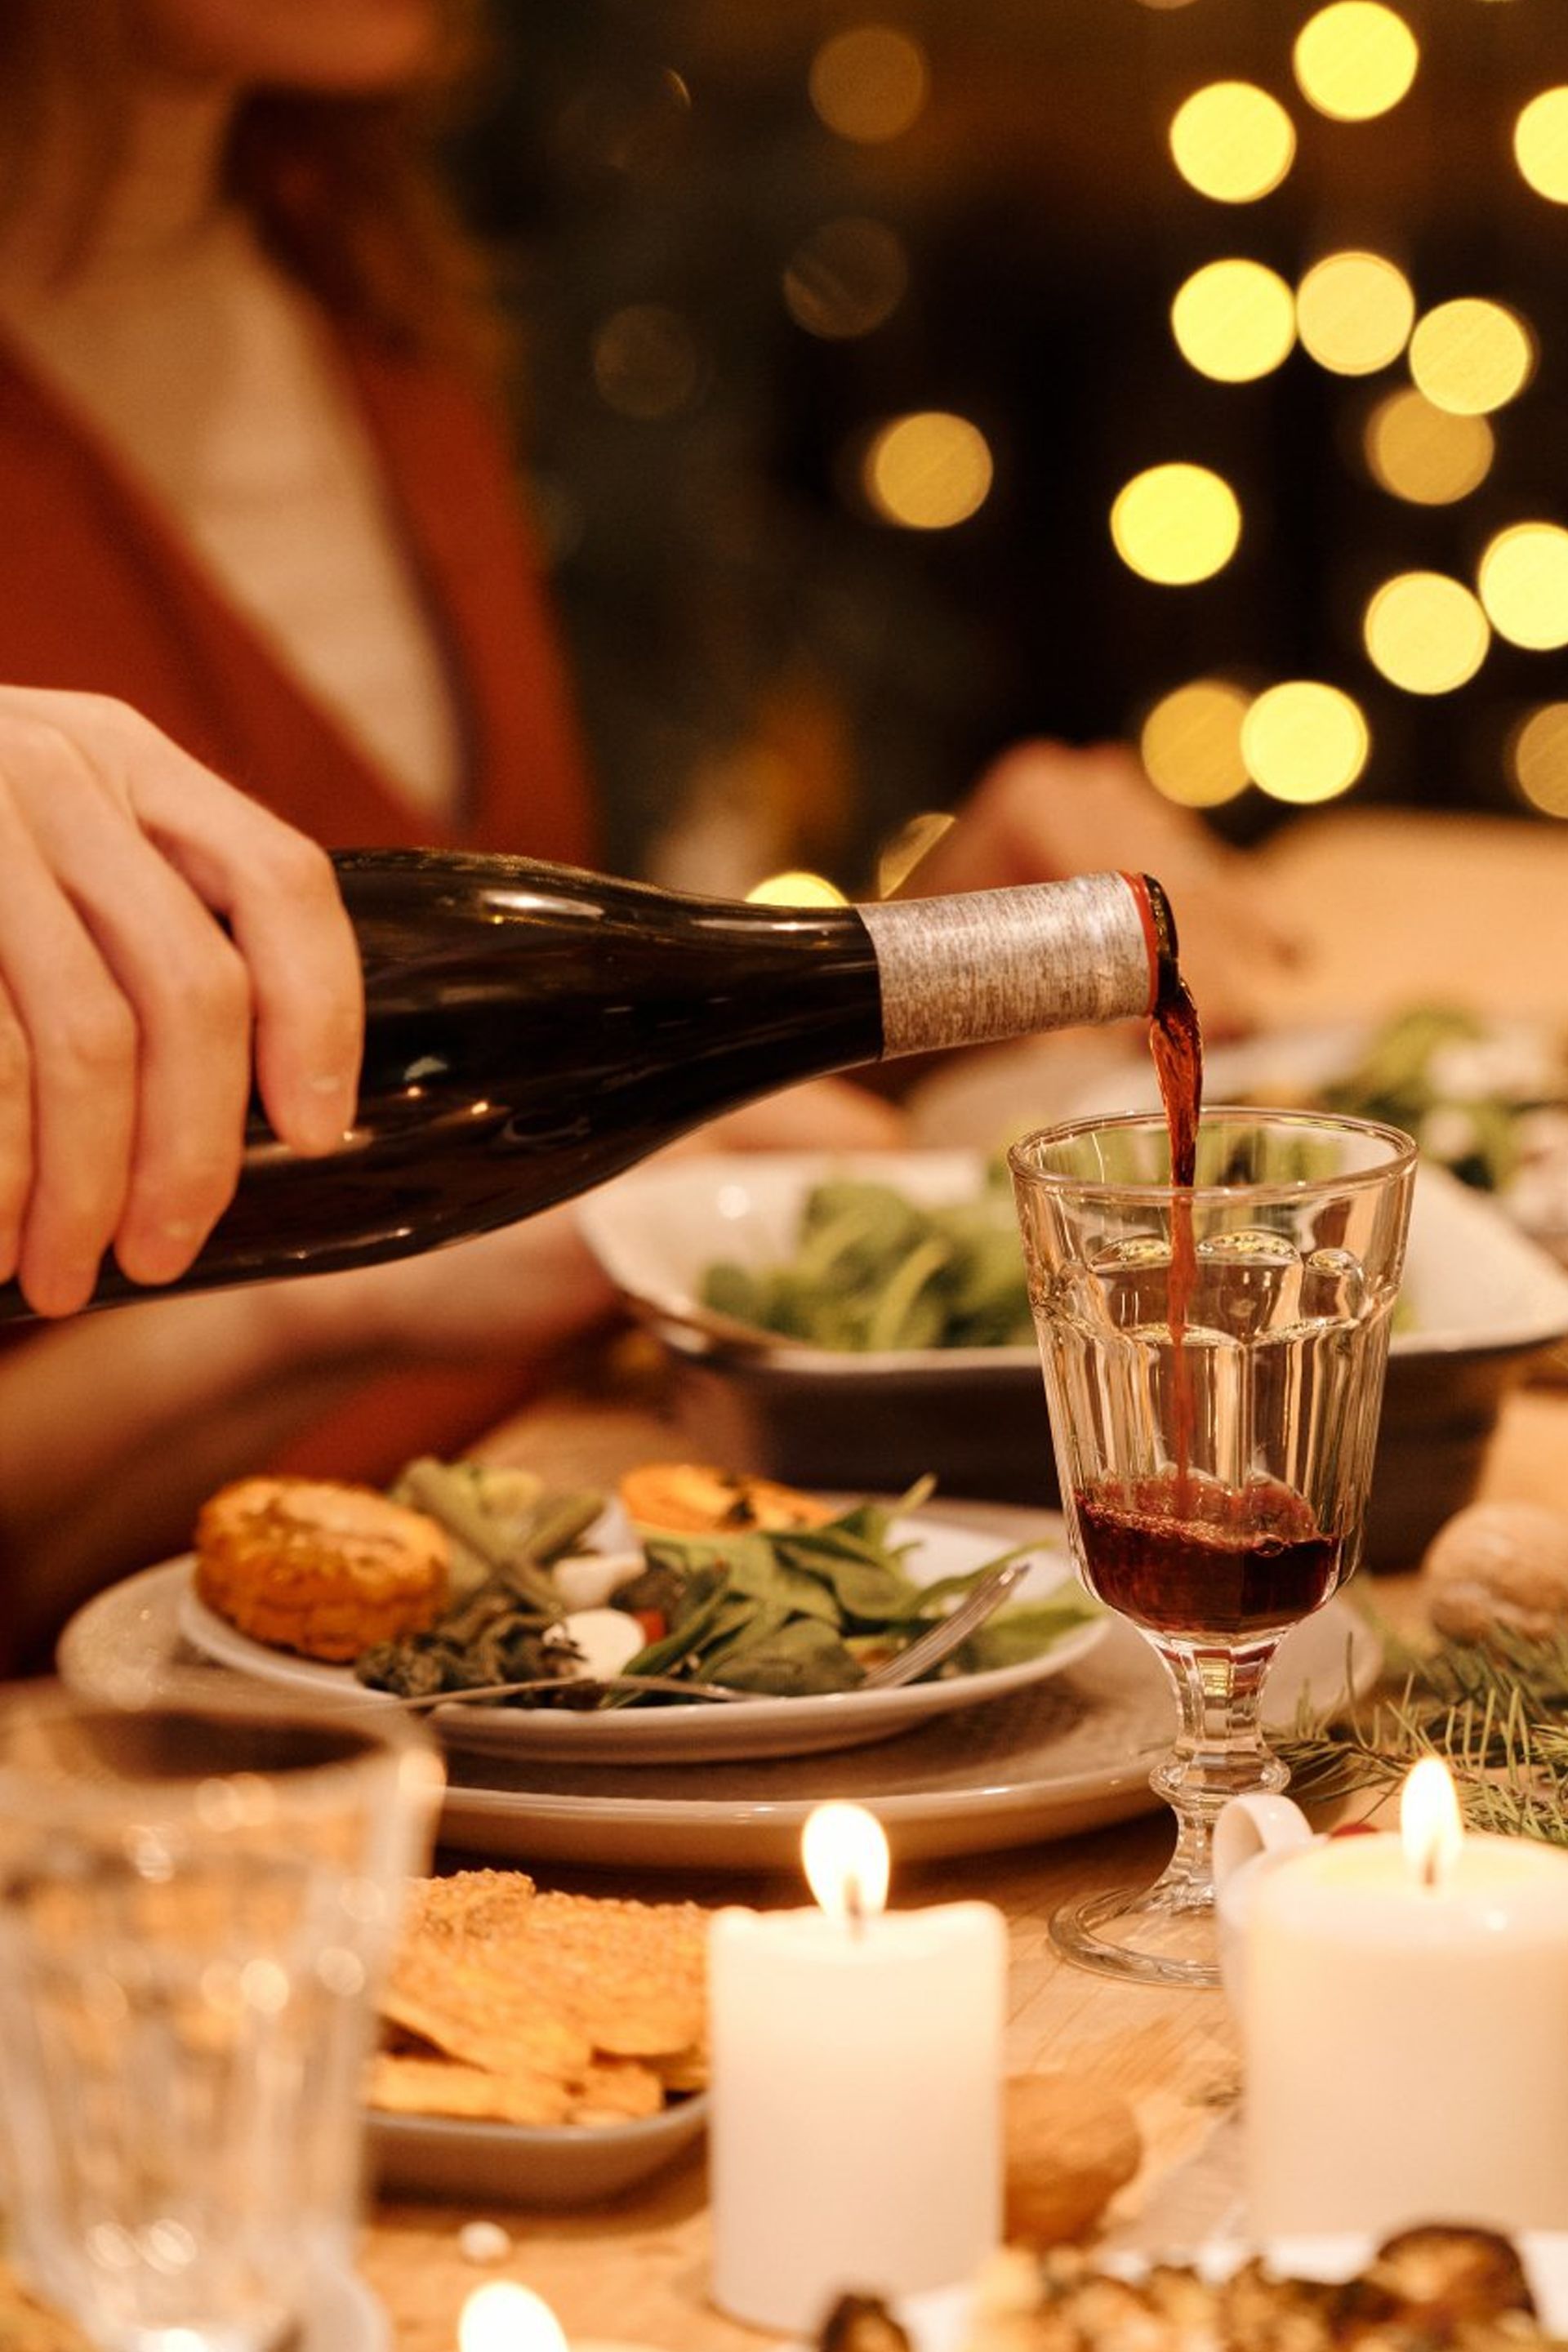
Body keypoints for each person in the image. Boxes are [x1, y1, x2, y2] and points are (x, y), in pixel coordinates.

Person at [0, 0, 1287, 1661]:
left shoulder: (356, 283)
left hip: (566, 1549)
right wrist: (370, 1287)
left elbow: (494, 1064)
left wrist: (944, 960)